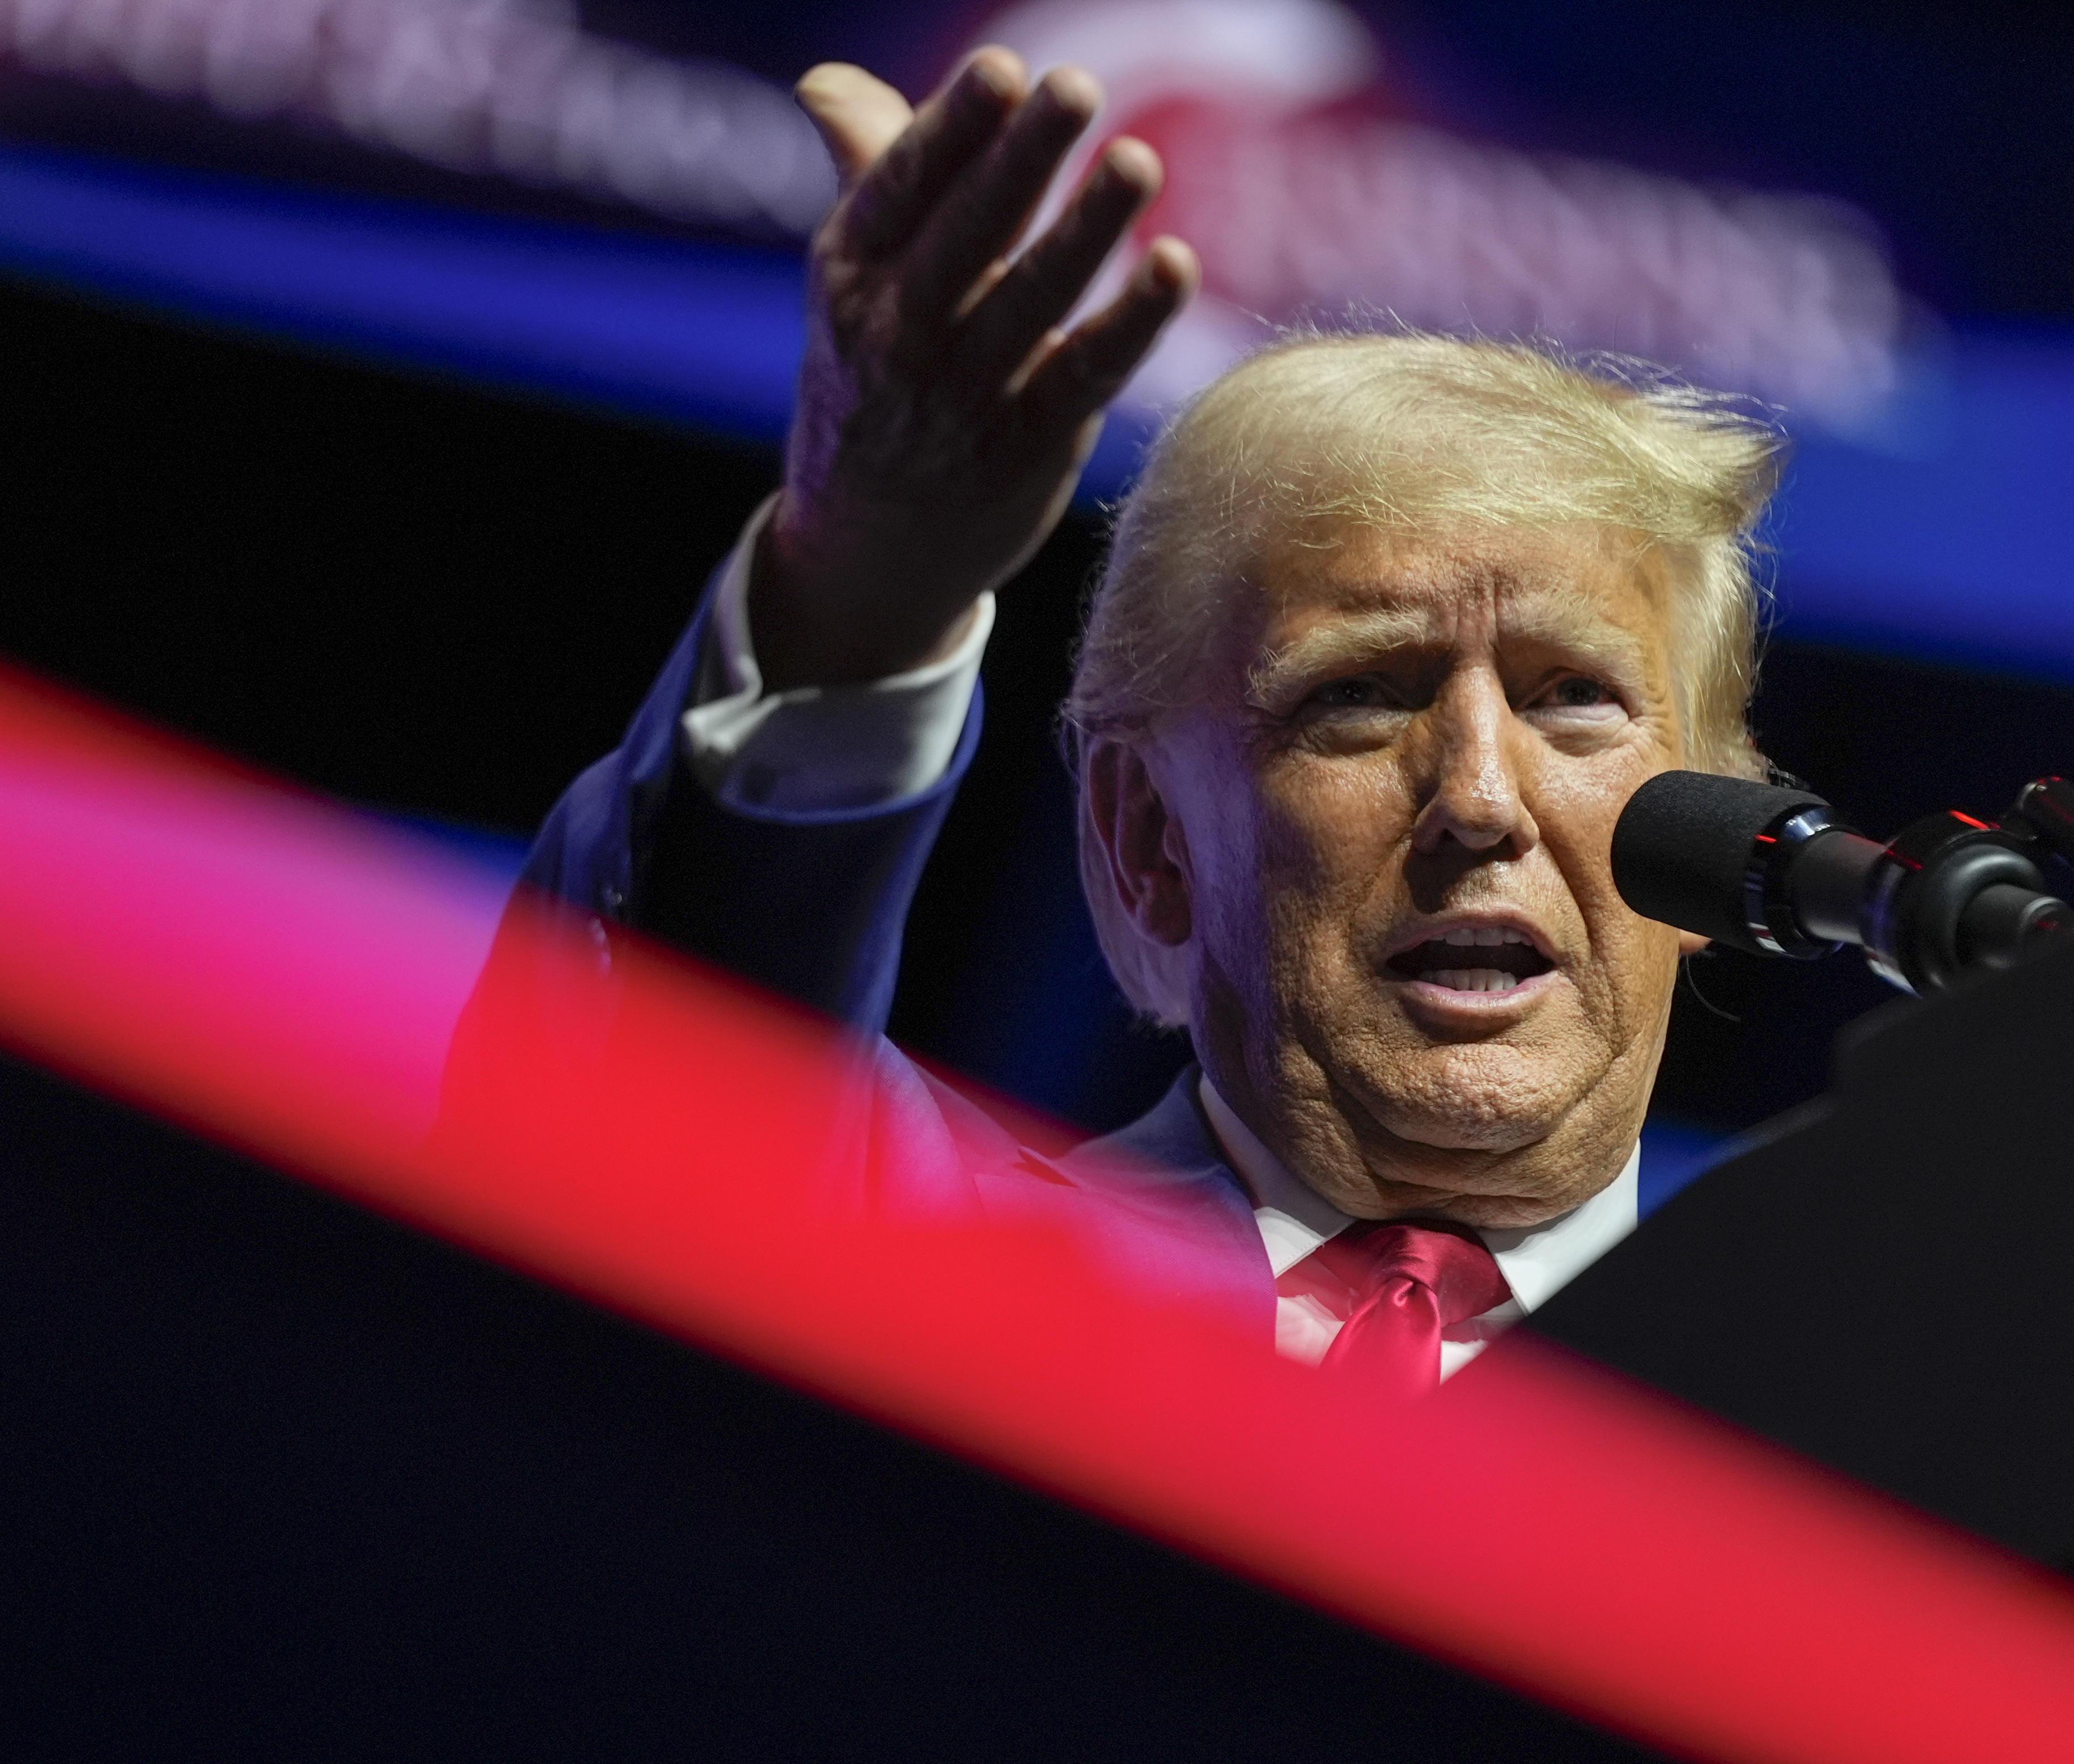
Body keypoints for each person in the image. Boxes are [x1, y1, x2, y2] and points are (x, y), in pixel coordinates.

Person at [448, 48, 1782, 1389]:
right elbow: (653, 1097)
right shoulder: (909, 1272)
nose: (1482, 798)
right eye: (1358, 698)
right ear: (1149, 842)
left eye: (1574, 700)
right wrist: (862, 593)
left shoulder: (1858, 1434)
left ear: (1707, 849)